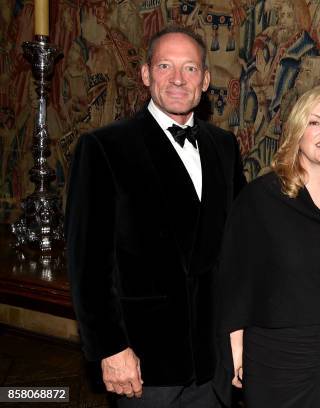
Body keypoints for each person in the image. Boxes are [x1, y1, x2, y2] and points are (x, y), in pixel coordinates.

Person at [65, 26, 246, 407]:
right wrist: (110, 349)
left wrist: (240, 335)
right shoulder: (104, 148)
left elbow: (237, 254)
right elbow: (88, 265)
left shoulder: (225, 148)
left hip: (213, 364)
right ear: (146, 74)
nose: (178, 79)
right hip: (145, 365)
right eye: (165, 66)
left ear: (206, 80)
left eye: (190, 68)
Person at [217, 83, 320, 407]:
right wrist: (235, 351)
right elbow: (235, 279)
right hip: (278, 359)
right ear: (297, 131)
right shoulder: (261, 198)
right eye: (314, 122)